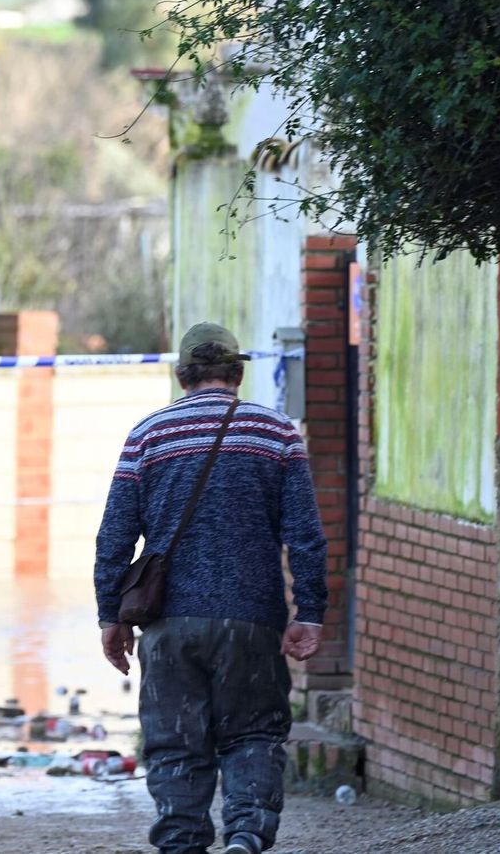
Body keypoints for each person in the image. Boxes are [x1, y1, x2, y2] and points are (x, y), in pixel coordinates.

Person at [95, 322, 328, 854]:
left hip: (168, 620)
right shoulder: (277, 435)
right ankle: (245, 836)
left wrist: (111, 617)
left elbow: (115, 536)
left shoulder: (148, 436)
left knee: (175, 742)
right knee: (253, 735)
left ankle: (181, 843)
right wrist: (309, 612)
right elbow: (305, 536)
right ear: (238, 372)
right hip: (252, 618)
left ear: (181, 376)